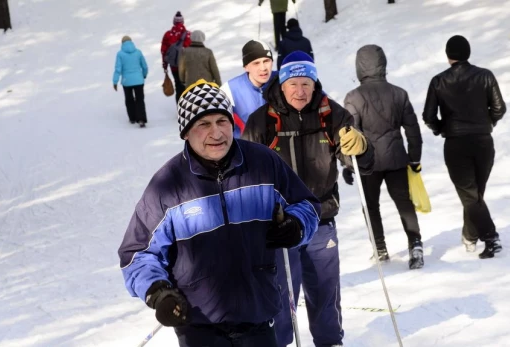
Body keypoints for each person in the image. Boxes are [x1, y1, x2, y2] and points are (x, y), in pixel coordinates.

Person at [118, 80, 321, 347]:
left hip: (258, 317)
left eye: (222, 121)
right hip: (200, 326)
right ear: (186, 132)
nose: (216, 133)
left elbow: (308, 205)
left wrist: (296, 225)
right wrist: (158, 293)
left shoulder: (263, 163)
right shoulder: (167, 186)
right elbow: (137, 254)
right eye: (204, 124)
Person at [242, 51, 375, 347]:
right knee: (279, 296)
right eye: (294, 84)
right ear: (283, 84)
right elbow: (243, 171)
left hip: (321, 219)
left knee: (325, 291)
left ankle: (330, 342)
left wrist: (362, 149)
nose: (300, 91)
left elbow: (358, 163)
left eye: (306, 84)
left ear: (315, 84)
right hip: (278, 225)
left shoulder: (333, 115)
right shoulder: (261, 121)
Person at [422, 35, 506, 259]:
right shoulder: (485, 76)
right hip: (483, 142)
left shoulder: (438, 81)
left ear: (449, 56)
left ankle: (490, 237)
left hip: (456, 144)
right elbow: (499, 109)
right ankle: (470, 236)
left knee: (471, 195)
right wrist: (486, 123)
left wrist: (442, 128)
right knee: (475, 194)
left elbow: (428, 116)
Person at [343, 44, 424, 269]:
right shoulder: (399, 93)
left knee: (370, 206)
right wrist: (414, 158)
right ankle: (415, 244)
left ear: (359, 67)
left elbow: (350, 135)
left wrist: (349, 165)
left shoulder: (354, 97)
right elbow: (412, 130)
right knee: (404, 203)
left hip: (368, 163)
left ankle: (380, 248)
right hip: (397, 158)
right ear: (383, 64)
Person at [220, 40, 277, 138]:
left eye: (266, 61)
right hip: (248, 148)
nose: (263, 68)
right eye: (256, 63)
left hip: (280, 149)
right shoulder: (230, 89)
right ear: (246, 67)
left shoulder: (283, 81)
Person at [113, 35, 148, 127]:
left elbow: (118, 69)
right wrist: (144, 74)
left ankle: (132, 118)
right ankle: (141, 119)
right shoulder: (138, 52)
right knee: (140, 99)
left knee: (129, 100)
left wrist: (115, 81)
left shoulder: (120, 54)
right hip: (139, 80)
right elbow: (144, 65)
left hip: (126, 81)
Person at [161, 11, 192, 103]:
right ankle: (189, 107)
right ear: (182, 22)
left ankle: (180, 108)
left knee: (178, 85)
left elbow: (164, 51)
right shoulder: (188, 35)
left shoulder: (167, 35)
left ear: (174, 22)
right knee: (188, 85)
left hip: (174, 66)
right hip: (186, 65)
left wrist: (165, 65)